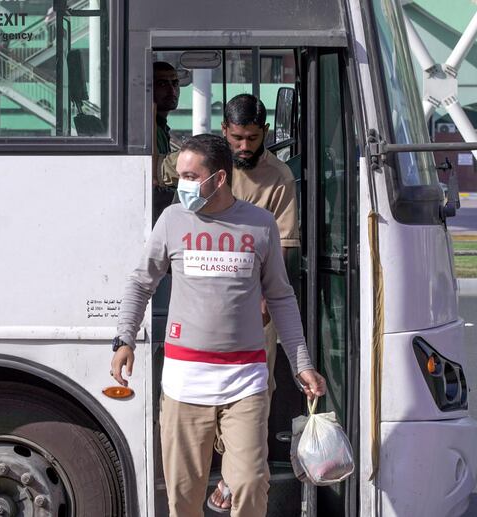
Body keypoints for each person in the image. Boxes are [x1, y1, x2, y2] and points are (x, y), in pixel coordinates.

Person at [111, 134, 326, 517]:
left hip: (244, 383)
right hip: (184, 385)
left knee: (247, 484)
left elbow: (280, 296)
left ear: (219, 179)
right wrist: (124, 337)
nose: (183, 184)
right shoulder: (172, 221)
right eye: (180, 175)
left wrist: (302, 363)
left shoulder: (260, 225)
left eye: (191, 175)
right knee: (183, 496)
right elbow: (142, 281)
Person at [208, 93, 301, 512]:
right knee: (206, 390)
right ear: (224, 131)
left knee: (254, 391)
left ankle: (236, 478)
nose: (244, 147)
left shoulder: (278, 176)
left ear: (264, 132)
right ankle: (231, 468)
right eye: (236, 138)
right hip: (207, 299)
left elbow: (284, 244)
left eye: (251, 137)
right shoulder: (209, 163)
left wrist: (265, 298)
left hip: (254, 302)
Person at [152, 61, 181, 223]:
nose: (172, 90)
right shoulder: (147, 129)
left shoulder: (160, 127)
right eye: (162, 83)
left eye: (175, 83)